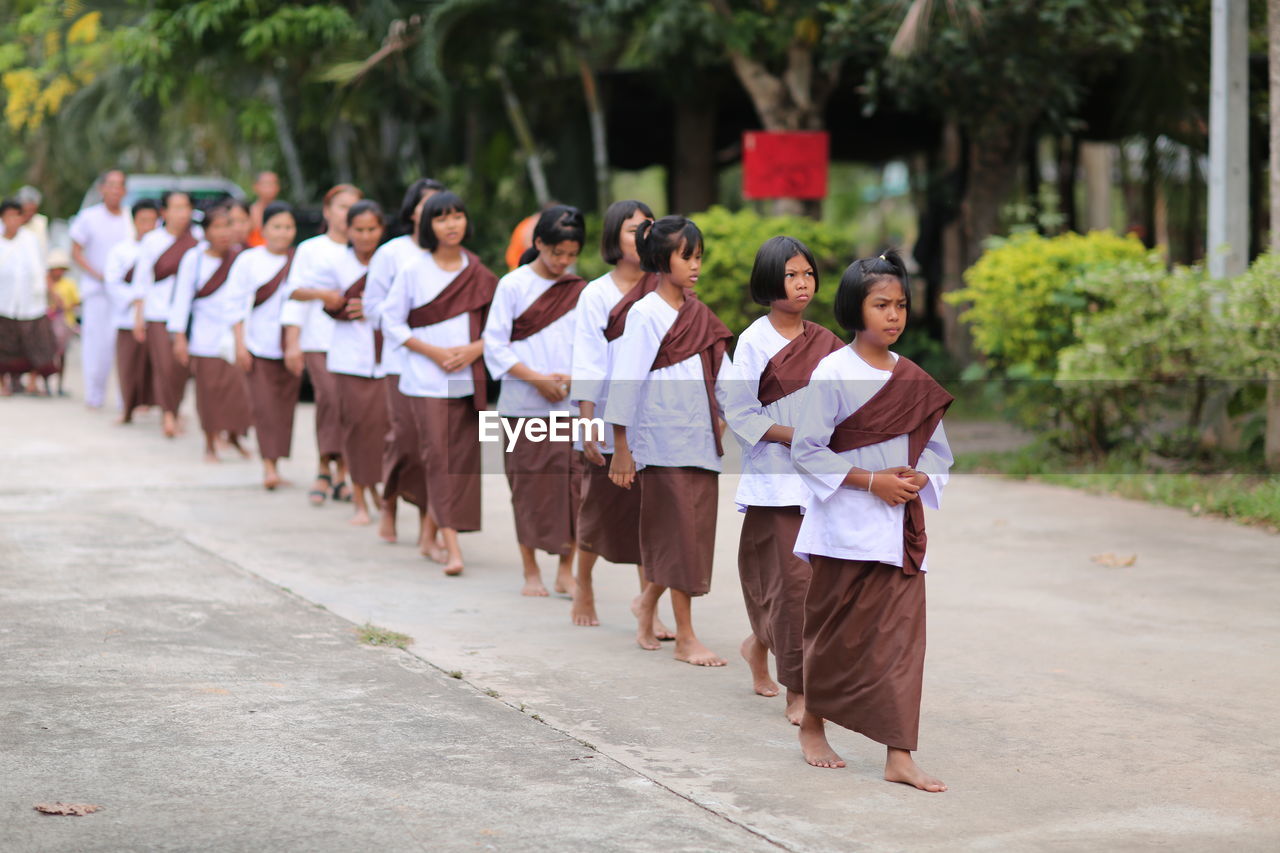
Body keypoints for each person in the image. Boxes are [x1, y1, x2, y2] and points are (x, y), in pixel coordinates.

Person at [789, 250, 953, 791]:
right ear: (855, 309)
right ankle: (813, 723)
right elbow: (808, 451)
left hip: (898, 533)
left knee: (904, 644)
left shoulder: (913, 378)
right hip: (843, 529)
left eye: (901, 305)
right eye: (881, 304)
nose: (893, 315)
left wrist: (920, 478)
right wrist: (871, 481)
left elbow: (936, 449)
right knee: (837, 637)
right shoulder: (832, 372)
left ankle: (899, 753)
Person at [719, 236, 843, 725]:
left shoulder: (827, 341)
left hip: (820, 483)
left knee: (816, 587)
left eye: (808, 273)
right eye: (791, 275)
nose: (802, 283)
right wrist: (798, 435)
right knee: (791, 588)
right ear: (770, 281)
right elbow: (739, 410)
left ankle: (758, 644)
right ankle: (799, 691)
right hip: (775, 482)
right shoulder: (753, 341)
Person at [604, 216, 732, 666]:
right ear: (661, 259)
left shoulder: (699, 314)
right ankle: (686, 638)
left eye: (699, 257)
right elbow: (625, 382)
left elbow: (726, 378)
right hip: (659, 440)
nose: (695, 266)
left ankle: (645, 604)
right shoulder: (644, 314)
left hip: (700, 438)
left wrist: (740, 420)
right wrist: (621, 448)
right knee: (680, 533)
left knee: (689, 534)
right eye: (686, 256)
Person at [568, 199, 674, 638]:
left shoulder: (665, 286)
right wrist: (590, 424)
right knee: (599, 510)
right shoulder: (596, 293)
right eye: (633, 229)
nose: (642, 235)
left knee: (653, 515)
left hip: (654, 420)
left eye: (649, 228)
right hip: (608, 419)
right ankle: (583, 582)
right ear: (614, 237)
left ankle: (648, 608)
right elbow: (589, 362)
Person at [384, 191, 497, 575]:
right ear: (428, 225)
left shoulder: (479, 273)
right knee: (439, 458)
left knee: (462, 461)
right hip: (425, 379)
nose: (452, 225)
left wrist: (473, 350)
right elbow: (391, 322)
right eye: (442, 218)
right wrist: (432, 352)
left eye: (458, 216)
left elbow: (501, 328)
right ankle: (452, 547)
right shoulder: (414, 270)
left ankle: (430, 534)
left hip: (468, 379)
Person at [483, 205, 587, 597]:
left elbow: (594, 350)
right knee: (526, 487)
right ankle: (530, 571)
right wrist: (537, 379)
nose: (563, 262)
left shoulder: (581, 291)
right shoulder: (512, 285)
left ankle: (566, 568)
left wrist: (572, 377)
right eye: (556, 252)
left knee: (573, 486)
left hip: (571, 406)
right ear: (539, 243)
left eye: (570, 255)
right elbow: (495, 345)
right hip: (521, 405)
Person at [363, 178, 445, 551]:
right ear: (412, 212)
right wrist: (413, 322)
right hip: (401, 361)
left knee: (440, 445)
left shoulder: (456, 257)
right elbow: (372, 307)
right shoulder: (392, 253)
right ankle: (390, 504)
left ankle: (436, 523)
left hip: (446, 366)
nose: (433, 215)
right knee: (406, 441)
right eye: (426, 206)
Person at [281, 183, 361, 507]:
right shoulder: (311, 249)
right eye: (342, 207)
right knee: (329, 400)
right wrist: (292, 342)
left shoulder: (367, 251)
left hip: (357, 344)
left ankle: (340, 470)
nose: (347, 214)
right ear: (328, 211)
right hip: (318, 340)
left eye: (354, 207)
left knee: (349, 407)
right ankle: (324, 466)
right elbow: (294, 293)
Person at [315, 200, 389, 526]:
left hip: (387, 360)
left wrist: (374, 310)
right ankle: (359, 497)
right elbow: (308, 292)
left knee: (386, 431)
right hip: (349, 360)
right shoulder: (335, 263)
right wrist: (334, 300)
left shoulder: (394, 262)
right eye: (359, 229)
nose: (365, 235)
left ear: (382, 230)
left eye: (372, 229)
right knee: (356, 429)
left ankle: (382, 493)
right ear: (348, 230)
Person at [168, 201, 253, 462]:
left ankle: (235, 437)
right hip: (205, 338)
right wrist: (179, 337)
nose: (224, 232)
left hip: (236, 336)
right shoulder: (193, 259)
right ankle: (209, 443)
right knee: (209, 394)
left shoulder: (241, 258)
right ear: (205, 231)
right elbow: (181, 299)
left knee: (239, 393)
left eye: (228, 225)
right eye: (217, 227)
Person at [229, 202, 299, 490]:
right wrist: (240, 344)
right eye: (277, 227)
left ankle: (277, 461)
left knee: (285, 407)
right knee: (264, 407)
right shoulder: (248, 260)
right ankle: (268, 465)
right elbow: (236, 303)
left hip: (292, 347)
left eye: (288, 227)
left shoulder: (299, 259)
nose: (283, 233)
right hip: (258, 346)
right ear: (264, 229)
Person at [132, 190, 201, 436]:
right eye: (176, 207)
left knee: (181, 366)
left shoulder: (199, 240)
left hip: (188, 315)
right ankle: (168, 414)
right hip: (158, 313)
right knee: (165, 365)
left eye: (186, 207)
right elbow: (141, 280)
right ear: (164, 212)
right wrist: (138, 317)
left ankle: (175, 407)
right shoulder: (152, 240)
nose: (182, 213)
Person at [69, 170, 132, 410]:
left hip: (124, 294)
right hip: (97, 291)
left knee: (123, 345)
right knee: (97, 345)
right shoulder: (88, 218)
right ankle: (94, 394)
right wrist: (100, 275)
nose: (116, 190)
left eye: (120, 185)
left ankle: (126, 398)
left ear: (125, 191)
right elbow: (76, 252)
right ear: (102, 189)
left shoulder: (130, 218)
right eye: (111, 185)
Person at [103, 200, 161, 424]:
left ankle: (166, 409)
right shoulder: (121, 250)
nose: (148, 226)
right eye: (143, 221)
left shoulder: (164, 248)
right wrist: (137, 299)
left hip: (157, 316)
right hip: (127, 318)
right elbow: (112, 282)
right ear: (134, 221)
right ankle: (127, 408)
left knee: (160, 366)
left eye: (152, 221)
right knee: (128, 365)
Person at [0, 198, 53, 396]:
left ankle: (32, 381)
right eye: (9, 216)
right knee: (3, 344)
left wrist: (51, 293)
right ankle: (3, 384)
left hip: (31, 302)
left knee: (36, 343)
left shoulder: (30, 240)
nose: (13, 220)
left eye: (17, 215)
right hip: (3, 302)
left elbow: (41, 267)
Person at [43, 249, 80, 396]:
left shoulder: (69, 284)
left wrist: (64, 306)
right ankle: (46, 385)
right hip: (48, 323)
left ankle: (59, 385)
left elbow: (76, 302)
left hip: (65, 322)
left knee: (62, 355)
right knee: (46, 355)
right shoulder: (45, 283)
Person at [246, 171, 281, 248]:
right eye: (266, 183)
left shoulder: (284, 212)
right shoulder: (248, 212)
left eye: (273, 183)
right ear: (255, 187)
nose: (270, 187)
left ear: (278, 187)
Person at [16, 185, 49, 257]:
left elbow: (44, 249)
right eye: (27, 210)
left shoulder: (41, 222)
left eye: (33, 210)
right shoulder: (10, 223)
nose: (30, 214)